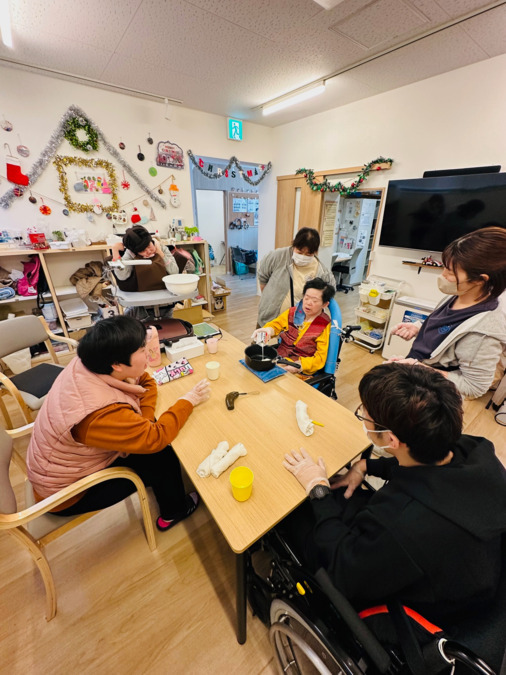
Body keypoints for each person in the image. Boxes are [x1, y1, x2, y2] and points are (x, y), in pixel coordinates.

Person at [282, 363, 506, 625]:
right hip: (474, 571)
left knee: (294, 515)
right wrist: (365, 466)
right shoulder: (472, 449)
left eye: (364, 413)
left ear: (391, 440)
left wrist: (318, 487)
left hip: (428, 607)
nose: (363, 416)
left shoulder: (403, 524)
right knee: (343, 499)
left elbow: (345, 571)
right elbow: (414, 467)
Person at [27, 316, 211, 532]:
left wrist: (143, 420)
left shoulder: (91, 362)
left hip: (62, 464)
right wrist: (188, 400)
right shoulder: (99, 414)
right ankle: (174, 512)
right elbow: (156, 438)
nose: (149, 353)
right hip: (66, 493)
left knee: (155, 448)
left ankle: (162, 487)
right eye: (142, 350)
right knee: (163, 456)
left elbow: (146, 381)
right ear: (117, 364)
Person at [389, 226, 506, 399]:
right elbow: (448, 332)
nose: (442, 275)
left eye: (450, 272)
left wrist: (419, 368)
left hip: (431, 391)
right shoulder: (459, 294)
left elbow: (474, 387)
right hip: (416, 372)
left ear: (480, 280)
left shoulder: (484, 332)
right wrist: (418, 329)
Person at [251, 278, 333, 375]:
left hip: (300, 368)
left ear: (325, 304)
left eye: (314, 301)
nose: (308, 303)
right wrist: (267, 330)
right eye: (306, 298)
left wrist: (299, 366)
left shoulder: (324, 326)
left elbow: (319, 359)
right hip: (280, 358)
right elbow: (276, 325)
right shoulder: (293, 312)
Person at [257, 227, 335, 327]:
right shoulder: (277, 256)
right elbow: (263, 277)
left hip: (297, 324)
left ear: (315, 252)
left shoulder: (321, 271)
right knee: (262, 335)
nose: (303, 256)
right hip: (270, 318)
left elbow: (330, 291)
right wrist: (269, 301)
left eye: (308, 254)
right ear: (294, 245)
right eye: (300, 252)